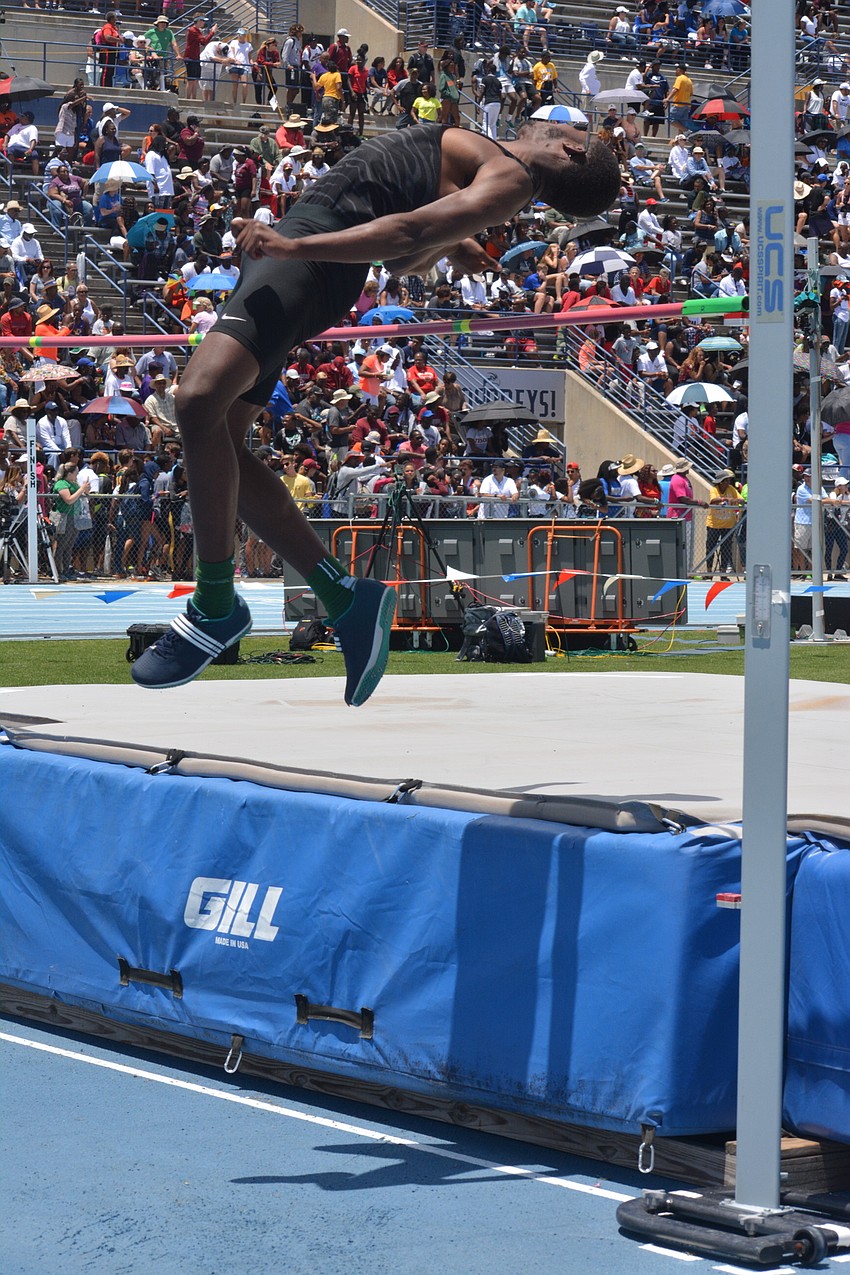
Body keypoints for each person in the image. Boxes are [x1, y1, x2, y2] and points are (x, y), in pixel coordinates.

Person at [130, 120, 619, 699]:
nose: (555, 119)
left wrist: (294, 246)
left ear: (569, 150)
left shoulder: (509, 178)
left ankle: (215, 603)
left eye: (570, 126)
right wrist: (451, 242)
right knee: (223, 441)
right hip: (297, 260)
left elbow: (400, 233)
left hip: (302, 261)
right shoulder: (489, 169)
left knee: (196, 399)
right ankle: (346, 600)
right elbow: (407, 257)